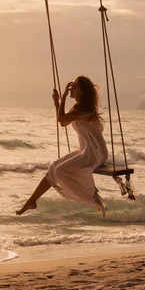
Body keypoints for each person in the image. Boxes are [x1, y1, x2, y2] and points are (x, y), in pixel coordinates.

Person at [16, 76, 109, 217]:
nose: (71, 89)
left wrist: (64, 96)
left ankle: (92, 197)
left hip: (96, 153)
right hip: (86, 151)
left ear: (83, 92)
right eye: (71, 87)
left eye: (74, 87)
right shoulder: (77, 108)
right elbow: (63, 122)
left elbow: (61, 119)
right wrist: (57, 103)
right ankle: (32, 201)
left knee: (60, 170)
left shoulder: (86, 109)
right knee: (54, 167)